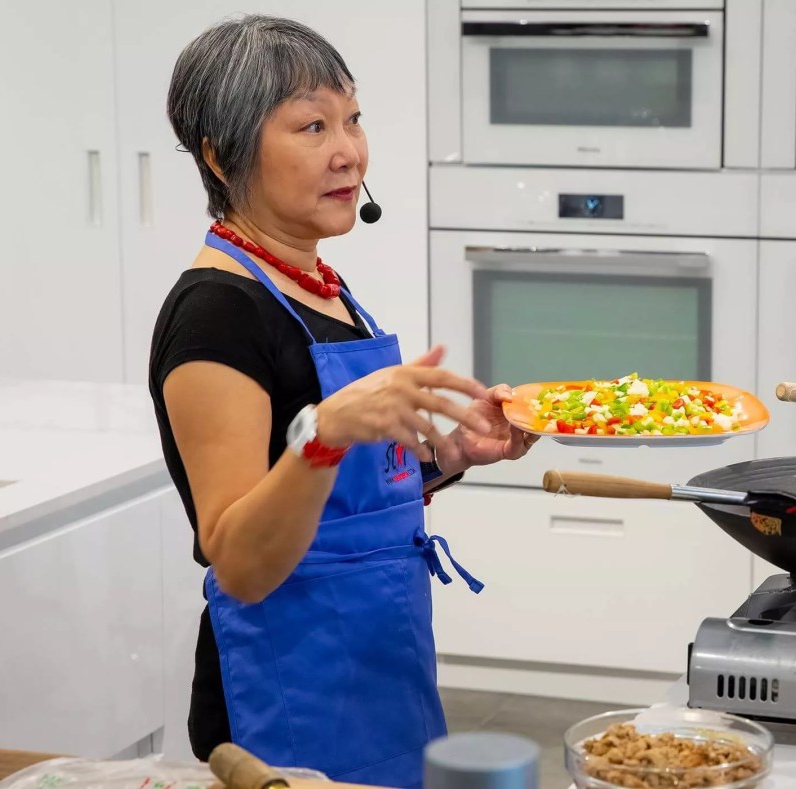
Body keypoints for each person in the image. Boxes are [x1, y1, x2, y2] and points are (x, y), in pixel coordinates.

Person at [147, 16, 536, 787]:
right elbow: (242, 558)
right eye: (312, 125)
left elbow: (341, 499)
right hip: (286, 697)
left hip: (382, 667)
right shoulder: (216, 314)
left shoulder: (322, 287)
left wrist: (448, 454)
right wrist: (321, 433)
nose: (348, 150)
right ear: (222, 157)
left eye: (353, 118)